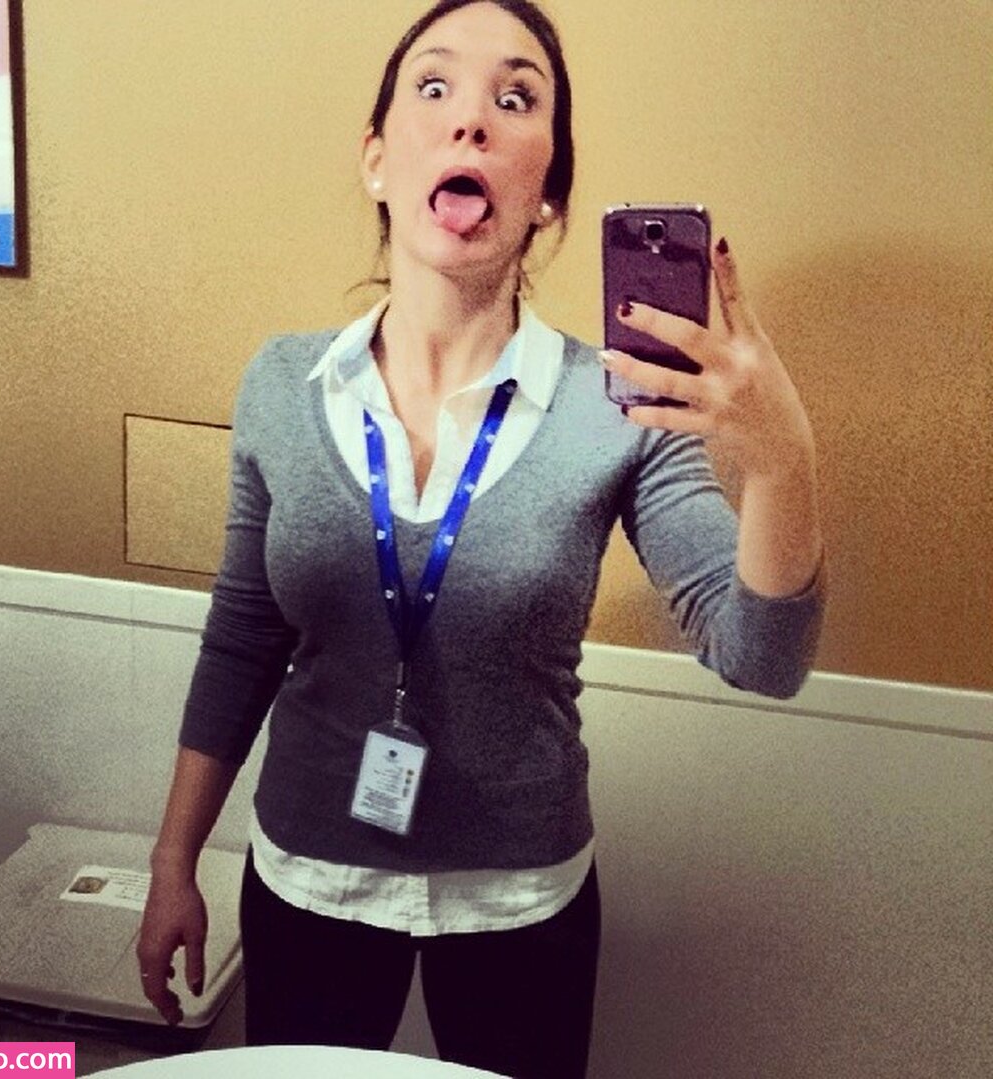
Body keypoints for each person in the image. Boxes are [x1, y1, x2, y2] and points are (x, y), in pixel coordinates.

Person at [136, 2, 825, 1077]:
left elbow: (763, 657)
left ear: (548, 196)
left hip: (522, 901)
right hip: (307, 877)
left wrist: (784, 461)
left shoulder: (623, 407)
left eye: (515, 98)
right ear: (377, 159)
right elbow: (242, 638)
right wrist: (173, 859)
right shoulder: (280, 382)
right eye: (435, 86)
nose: (471, 121)